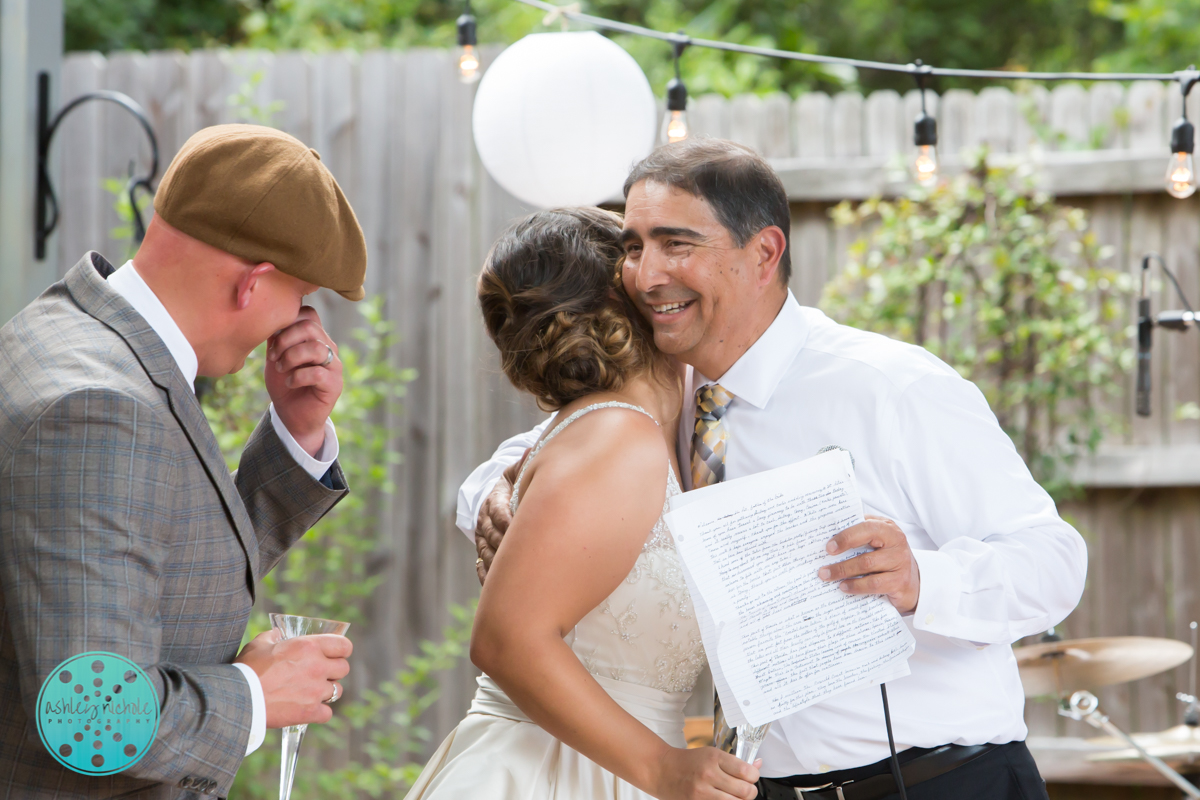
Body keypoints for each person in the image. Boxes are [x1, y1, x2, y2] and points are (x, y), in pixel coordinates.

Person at [460, 139, 1087, 800]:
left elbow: (1053, 559)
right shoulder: (664, 393)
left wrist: (921, 578)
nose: (645, 276)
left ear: (763, 253)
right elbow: (543, 456)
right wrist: (495, 494)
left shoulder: (890, 387)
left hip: (942, 781)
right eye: (635, 247)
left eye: (677, 245)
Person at [0, 124, 365, 798]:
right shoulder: (102, 407)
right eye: (300, 297)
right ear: (253, 284)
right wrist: (255, 696)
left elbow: (166, 568)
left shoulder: (72, 333)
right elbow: (94, 720)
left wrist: (295, 429)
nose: (297, 323)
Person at [406, 207, 761, 800]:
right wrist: (661, 767)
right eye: (638, 257)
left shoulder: (632, 430)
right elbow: (506, 640)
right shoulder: (619, 437)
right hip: (557, 772)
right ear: (622, 297)